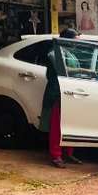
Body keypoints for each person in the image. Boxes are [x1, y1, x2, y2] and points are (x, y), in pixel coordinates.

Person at [40, 28, 83, 168]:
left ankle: (68, 153)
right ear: (67, 40)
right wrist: (85, 71)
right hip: (58, 93)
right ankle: (56, 155)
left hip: (70, 93)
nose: (77, 44)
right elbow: (63, 71)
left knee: (70, 124)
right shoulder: (54, 53)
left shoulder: (69, 53)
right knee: (57, 126)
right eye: (75, 40)